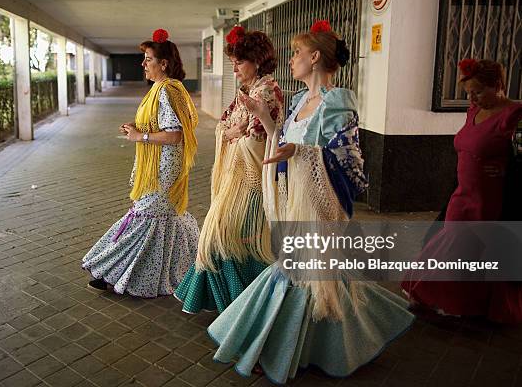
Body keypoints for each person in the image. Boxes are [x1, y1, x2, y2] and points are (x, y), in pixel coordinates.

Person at [206, 20, 414, 383]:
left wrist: (301, 152)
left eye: (297, 53)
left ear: (315, 57)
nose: (291, 60)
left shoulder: (338, 101)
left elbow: (350, 163)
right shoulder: (302, 100)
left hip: (319, 203)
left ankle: (277, 347)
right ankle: (328, 344)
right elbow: (281, 140)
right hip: (294, 198)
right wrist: (260, 115)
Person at [402, 59, 522, 323]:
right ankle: (437, 295)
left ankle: (466, 303)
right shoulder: (473, 112)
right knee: (453, 239)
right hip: (463, 191)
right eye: (469, 93)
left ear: (497, 85)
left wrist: (508, 171)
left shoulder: (515, 114)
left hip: (491, 196)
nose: (473, 98)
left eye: (478, 91)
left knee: (472, 246)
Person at [82, 29, 199, 298]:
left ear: (164, 64)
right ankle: (192, 266)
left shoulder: (168, 91)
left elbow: (175, 134)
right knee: (165, 219)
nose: (143, 64)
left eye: (148, 59)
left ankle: (111, 270)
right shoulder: (163, 89)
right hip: (159, 164)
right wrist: (139, 128)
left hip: (163, 168)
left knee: (147, 218)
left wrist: (141, 135)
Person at [174, 26, 284, 313]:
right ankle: (237, 304)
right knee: (224, 238)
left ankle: (247, 304)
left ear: (257, 61)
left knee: (230, 238)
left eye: (239, 62)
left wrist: (238, 131)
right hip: (235, 178)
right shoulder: (246, 92)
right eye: (233, 62)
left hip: (252, 180)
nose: (235, 68)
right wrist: (236, 130)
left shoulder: (268, 92)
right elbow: (225, 125)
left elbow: (260, 137)